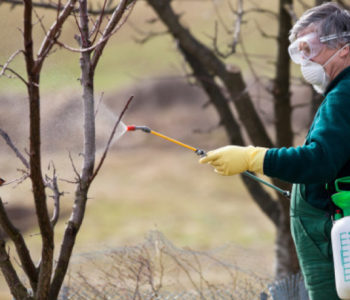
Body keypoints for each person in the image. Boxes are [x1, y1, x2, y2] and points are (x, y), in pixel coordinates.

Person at [199, 3, 350, 300]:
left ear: (344, 48)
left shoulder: (344, 96)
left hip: (337, 240)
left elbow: (319, 161)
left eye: (309, 49)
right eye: (298, 52)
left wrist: (253, 157)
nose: (304, 61)